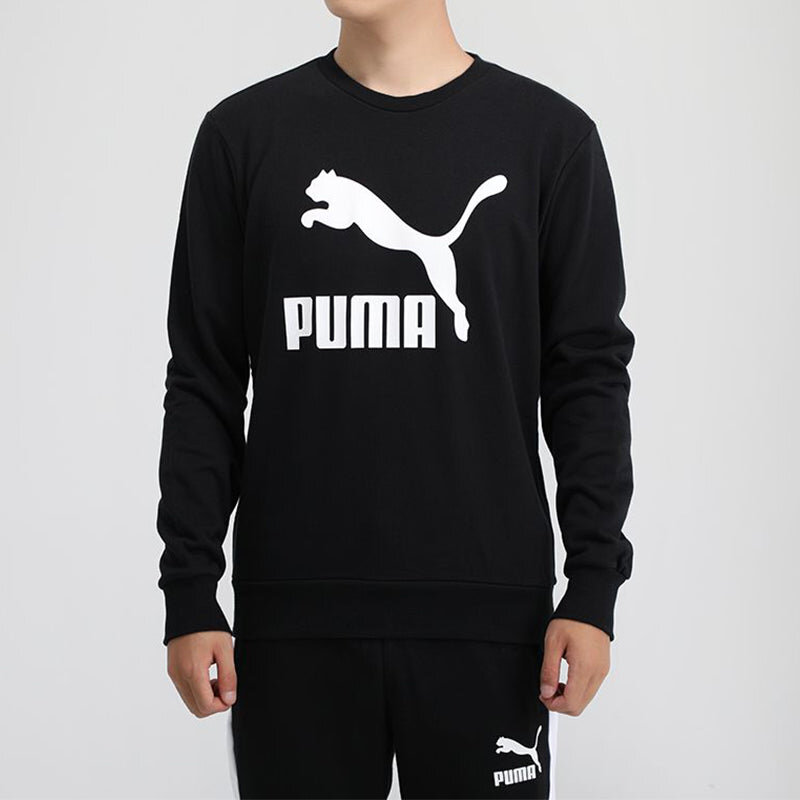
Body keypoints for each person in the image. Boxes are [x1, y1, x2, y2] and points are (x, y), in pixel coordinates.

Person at [155, 0, 635, 797]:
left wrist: (593, 586)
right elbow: (204, 378)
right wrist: (189, 590)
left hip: (490, 622)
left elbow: (587, 378)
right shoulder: (242, 136)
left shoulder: (549, 139)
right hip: (294, 624)